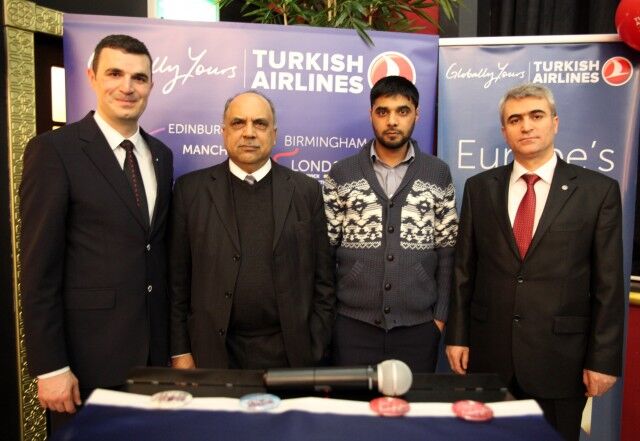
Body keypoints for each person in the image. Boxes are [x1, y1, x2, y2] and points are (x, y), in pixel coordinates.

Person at [445, 83, 624, 441]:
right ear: (504, 131)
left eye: (536, 116)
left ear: (554, 122)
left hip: (561, 361)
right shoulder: (480, 188)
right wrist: (457, 337)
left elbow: (609, 284)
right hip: (489, 358)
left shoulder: (597, 191)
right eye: (515, 119)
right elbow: (465, 271)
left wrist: (603, 360)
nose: (526, 126)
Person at [20, 35, 173, 430]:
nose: (127, 87)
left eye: (139, 77)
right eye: (115, 73)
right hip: (86, 365)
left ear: (151, 85)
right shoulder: (55, 151)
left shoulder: (161, 155)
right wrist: (51, 366)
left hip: (153, 363)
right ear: (92, 77)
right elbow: (38, 270)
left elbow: (153, 251)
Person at [169, 90, 335, 370]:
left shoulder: (306, 191)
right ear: (223, 132)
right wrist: (180, 351)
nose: (249, 132)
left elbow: (324, 281)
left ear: (274, 134)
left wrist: (314, 346)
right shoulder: (190, 191)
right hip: (212, 354)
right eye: (238, 123)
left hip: (290, 355)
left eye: (259, 123)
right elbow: (177, 283)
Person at [323, 75, 458, 372]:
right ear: (371, 114)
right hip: (351, 327)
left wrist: (439, 318)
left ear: (416, 114)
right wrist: (331, 316)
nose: (392, 121)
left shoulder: (437, 173)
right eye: (383, 111)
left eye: (402, 111)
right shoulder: (341, 173)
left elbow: (448, 251)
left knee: (411, 402)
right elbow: (324, 252)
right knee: (352, 402)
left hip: (418, 329)